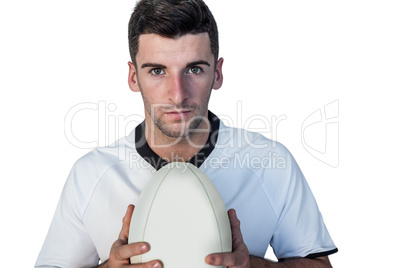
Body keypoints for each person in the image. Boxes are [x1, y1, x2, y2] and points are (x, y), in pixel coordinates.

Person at [35, 0, 338, 267]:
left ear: (217, 73)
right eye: (157, 71)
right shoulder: (91, 174)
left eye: (194, 69)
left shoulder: (271, 163)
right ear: (133, 76)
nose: (178, 95)